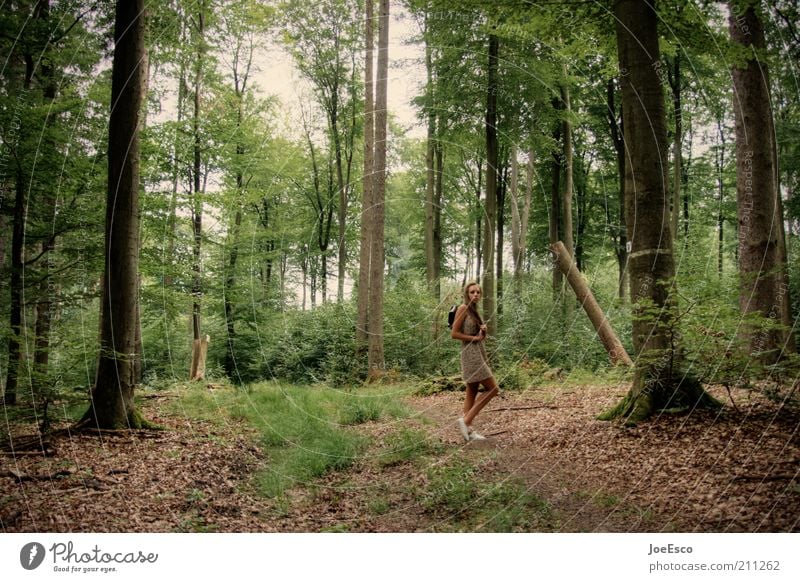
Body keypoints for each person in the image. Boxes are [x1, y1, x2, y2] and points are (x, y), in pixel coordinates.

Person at [450, 282, 500, 442]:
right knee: (493, 389)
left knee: (472, 390)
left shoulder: (474, 311)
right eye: (472, 292)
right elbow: (454, 334)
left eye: (478, 292)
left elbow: (479, 337)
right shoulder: (463, 308)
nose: (476, 294)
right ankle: (466, 421)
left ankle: (469, 432)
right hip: (471, 354)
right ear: (467, 294)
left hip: (478, 351)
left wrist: (482, 332)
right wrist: (475, 338)